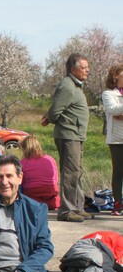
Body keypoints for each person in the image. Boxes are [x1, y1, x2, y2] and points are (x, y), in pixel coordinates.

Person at [41, 53, 91, 223]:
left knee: (77, 171)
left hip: (75, 135)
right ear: (73, 69)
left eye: (87, 67)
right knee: (70, 173)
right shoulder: (67, 86)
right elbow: (55, 113)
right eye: (83, 68)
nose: (87, 70)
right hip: (68, 135)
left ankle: (77, 207)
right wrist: (50, 117)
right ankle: (67, 211)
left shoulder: (75, 86)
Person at [101, 64, 123, 216]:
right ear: (116, 75)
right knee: (118, 171)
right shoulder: (108, 94)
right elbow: (113, 110)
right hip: (117, 138)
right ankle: (118, 202)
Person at [20, 136, 60, 210]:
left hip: (31, 200)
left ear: (25, 149)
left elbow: (20, 182)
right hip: (52, 199)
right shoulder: (50, 159)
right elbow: (56, 179)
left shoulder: (23, 163)